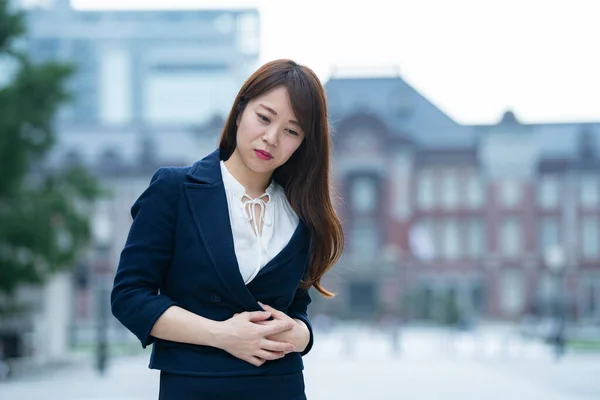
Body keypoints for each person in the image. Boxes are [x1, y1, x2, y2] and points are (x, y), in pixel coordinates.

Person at [111, 59, 344, 399]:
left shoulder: (301, 212)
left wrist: (301, 335)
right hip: (196, 387)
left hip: (281, 386)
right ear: (240, 111)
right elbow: (129, 296)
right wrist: (221, 334)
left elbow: (297, 308)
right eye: (264, 118)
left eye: (291, 131)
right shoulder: (175, 189)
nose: (271, 138)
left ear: (303, 143)